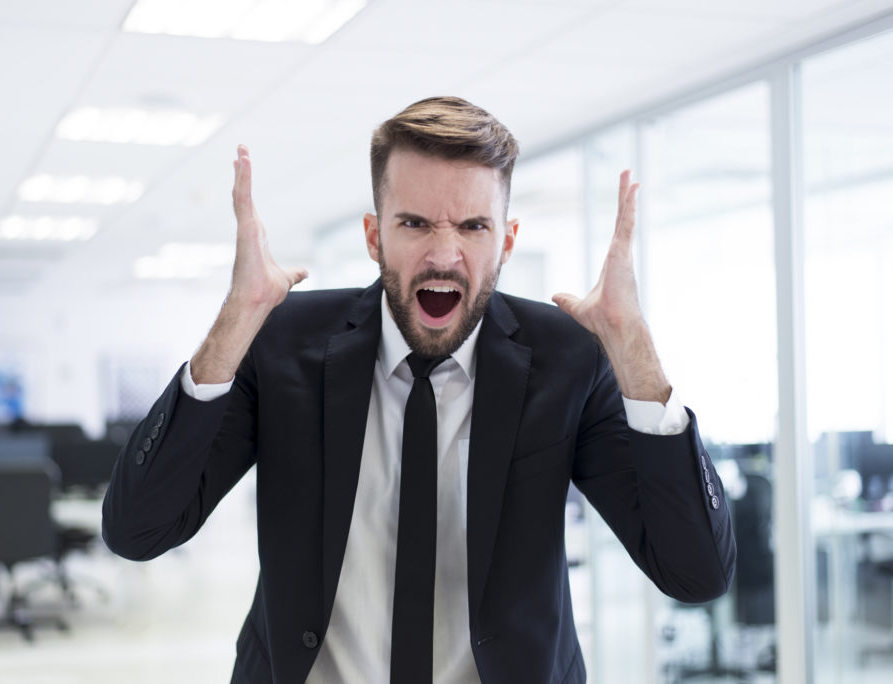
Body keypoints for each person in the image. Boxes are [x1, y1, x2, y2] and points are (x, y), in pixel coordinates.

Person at [102, 96, 736, 684]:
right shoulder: (281, 341)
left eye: (472, 226)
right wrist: (233, 324)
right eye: (414, 223)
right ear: (375, 235)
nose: (443, 253)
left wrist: (635, 354)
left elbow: (695, 572)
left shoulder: (567, 357)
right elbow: (138, 530)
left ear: (507, 241)